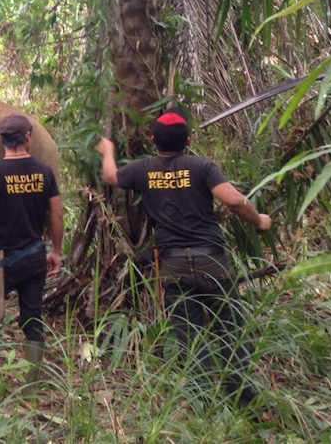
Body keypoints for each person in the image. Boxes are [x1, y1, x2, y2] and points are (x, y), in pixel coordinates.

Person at [96, 107, 272, 410]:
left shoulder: (143, 168)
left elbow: (110, 176)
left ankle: (204, 403)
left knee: (189, 336)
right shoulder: (202, 166)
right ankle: (242, 397)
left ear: (152, 139)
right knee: (229, 326)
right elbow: (233, 199)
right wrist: (259, 220)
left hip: (173, 264)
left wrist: (108, 149)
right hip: (211, 260)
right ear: (188, 140)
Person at [0, 114, 64, 395]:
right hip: (35, 258)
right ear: (28, 137)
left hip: (4, 262)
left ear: (3, 141)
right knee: (33, 317)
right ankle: (30, 389)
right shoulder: (44, 172)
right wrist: (55, 251)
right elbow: (56, 212)